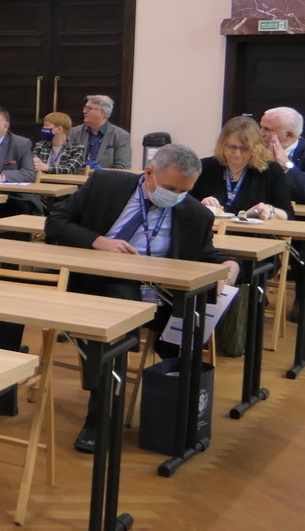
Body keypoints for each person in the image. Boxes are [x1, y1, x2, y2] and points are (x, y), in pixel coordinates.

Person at [44, 144, 237, 453]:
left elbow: (208, 255)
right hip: (100, 285)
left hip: (161, 297)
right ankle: (99, 416)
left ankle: (171, 413)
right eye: (170, 188)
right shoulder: (105, 184)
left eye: (184, 191)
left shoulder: (195, 214)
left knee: (189, 319)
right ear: (149, 173)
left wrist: (230, 267)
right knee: (116, 309)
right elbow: (55, 224)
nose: (176, 196)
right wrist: (98, 241)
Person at [193, 115, 291, 220]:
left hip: (253, 230)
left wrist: (270, 210)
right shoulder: (204, 167)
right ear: (222, 144)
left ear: (255, 148)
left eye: (244, 148)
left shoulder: (271, 171)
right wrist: (199, 205)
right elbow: (184, 206)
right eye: (231, 147)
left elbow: (288, 215)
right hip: (212, 228)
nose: (237, 153)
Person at [258, 106, 305, 207]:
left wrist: (286, 166)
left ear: (289, 135)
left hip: (300, 214)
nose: (261, 133)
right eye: (261, 127)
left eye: (267, 129)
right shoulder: (254, 151)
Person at [68, 95, 132, 169]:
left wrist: (100, 172)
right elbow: (66, 162)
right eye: (85, 108)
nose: (84, 111)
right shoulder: (73, 133)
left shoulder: (120, 135)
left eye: (89, 108)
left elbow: (123, 168)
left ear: (102, 112)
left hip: (106, 176)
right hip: (78, 175)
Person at [32, 111, 87, 176]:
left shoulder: (77, 149)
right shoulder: (40, 146)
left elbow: (70, 169)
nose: (43, 128)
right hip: (41, 180)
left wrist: (47, 168)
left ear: (59, 129)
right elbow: (32, 165)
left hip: (65, 182)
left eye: (46, 125)